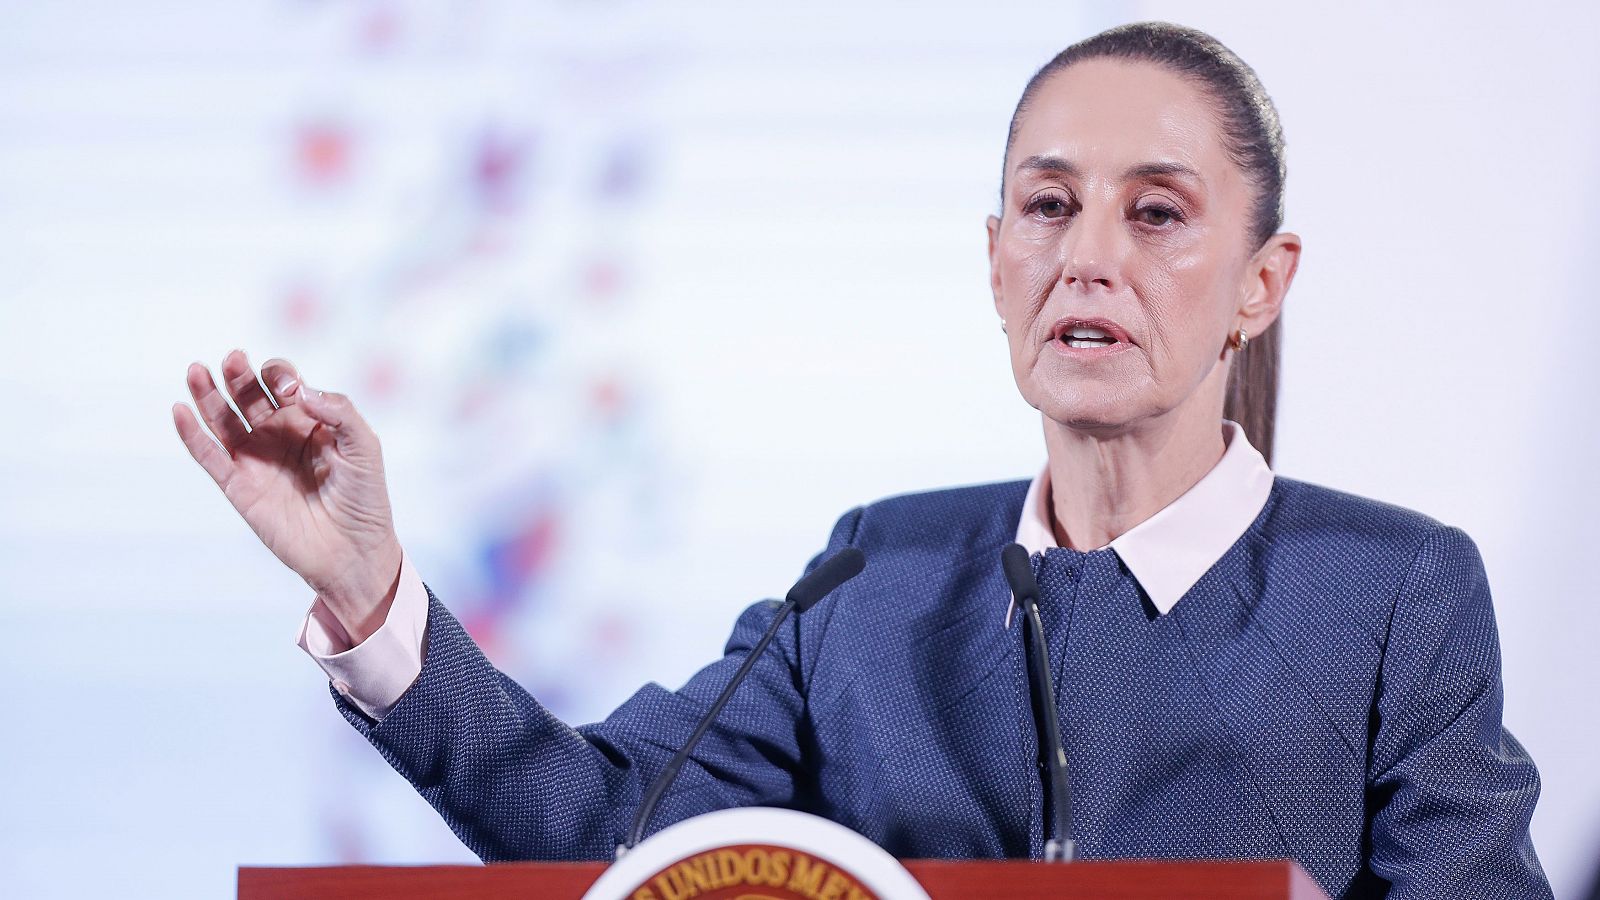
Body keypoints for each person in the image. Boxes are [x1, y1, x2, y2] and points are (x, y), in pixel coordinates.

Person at [172, 22, 1552, 899]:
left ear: (1262, 283)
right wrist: (370, 591)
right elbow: (616, 840)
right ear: (995, 256)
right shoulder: (872, 574)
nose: (1090, 256)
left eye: (1157, 214)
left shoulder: (1393, 593)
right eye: (1050, 205)